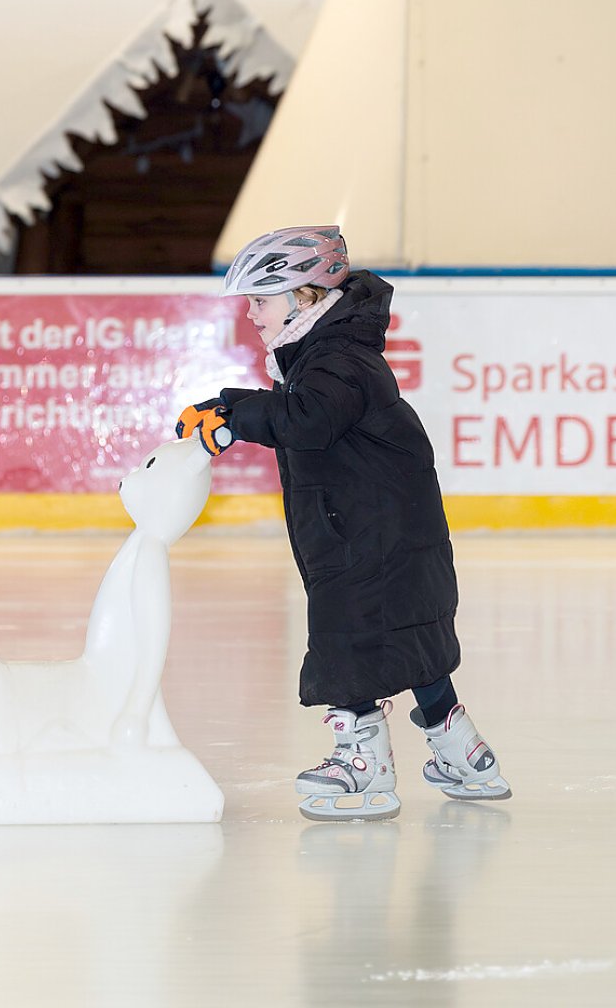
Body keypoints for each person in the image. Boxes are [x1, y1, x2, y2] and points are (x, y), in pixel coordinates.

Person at [174, 226, 508, 821]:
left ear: (304, 296)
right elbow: (301, 408)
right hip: (380, 531)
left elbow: (307, 420)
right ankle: (464, 753)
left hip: (364, 538)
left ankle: (364, 768)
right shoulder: (332, 354)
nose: (250, 315)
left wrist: (234, 420)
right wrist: (229, 403)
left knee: (348, 641)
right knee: (408, 640)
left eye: (260, 300)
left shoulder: (341, 359)